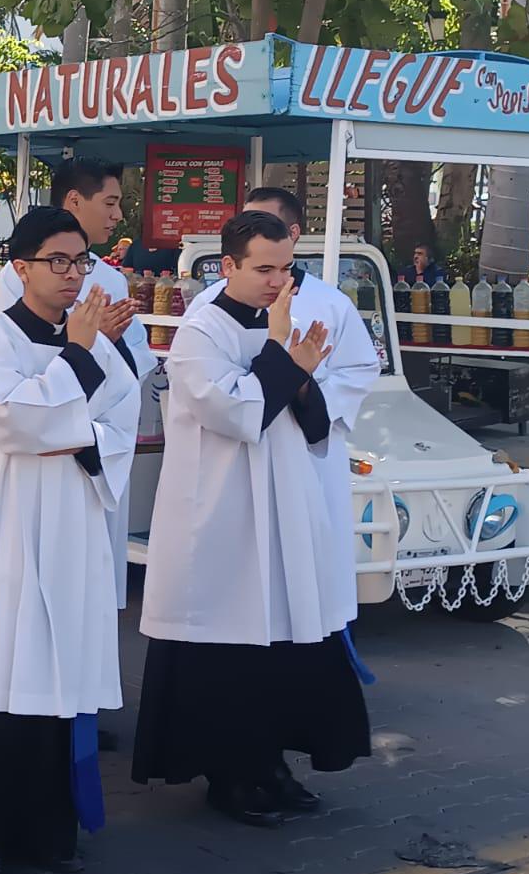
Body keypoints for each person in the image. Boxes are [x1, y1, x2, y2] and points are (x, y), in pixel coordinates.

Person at [133, 210, 372, 827]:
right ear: (229, 265)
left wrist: (299, 374)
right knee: (228, 653)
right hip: (223, 509)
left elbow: (338, 390)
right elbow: (236, 411)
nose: (276, 281)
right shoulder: (202, 330)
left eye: (285, 268)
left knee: (284, 646)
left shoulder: (297, 318)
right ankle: (229, 777)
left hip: (289, 501)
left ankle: (271, 766)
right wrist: (289, 364)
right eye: (263, 269)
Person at [0, 207, 141, 874]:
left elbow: (121, 422)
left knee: (53, 679)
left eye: (82, 262)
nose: (74, 275)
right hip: (5, 529)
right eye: (59, 261)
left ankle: (46, 830)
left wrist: (73, 417)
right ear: (19, 267)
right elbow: (17, 422)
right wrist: (76, 364)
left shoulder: (101, 347)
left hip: (70, 526)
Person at [0, 159, 149, 614]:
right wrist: (81, 348)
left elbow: (130, 378)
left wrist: (106, 347)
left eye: (79, 263)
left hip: (88, 471)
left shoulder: (111, 278)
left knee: (86, 601)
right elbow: (18, 375)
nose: (73, 276)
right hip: (30, 476)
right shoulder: (11, 287)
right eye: (111, 202)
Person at [185, 187, 380, 418]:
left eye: (265, 223)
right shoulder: (207, 306)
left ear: (292, 232)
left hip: (302, 446)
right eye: (246, 223)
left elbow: (358, 370)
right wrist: (287, 369)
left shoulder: (332, 304)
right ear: (228, 265)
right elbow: (213, 397)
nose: (253, 231)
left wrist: (306, 395)